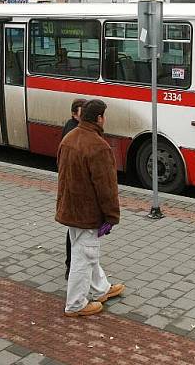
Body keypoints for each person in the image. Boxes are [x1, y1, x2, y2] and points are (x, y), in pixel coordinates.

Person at [55, 99, 124, 317]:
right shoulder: (98, 146)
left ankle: (101, 289)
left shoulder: (69, 138)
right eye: (104, 116)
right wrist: (112, 216)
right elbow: (106, 186)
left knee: (83, 251)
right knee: (84, 256)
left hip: (69, 208)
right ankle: (75, 304)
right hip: (87, 212)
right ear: (99, 118)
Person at [59, 97, 86, 280]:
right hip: (75, 190)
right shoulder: (73, 131)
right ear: (74, 114)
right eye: (82, 113)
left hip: (72, 188)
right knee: (75, 231)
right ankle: (72, 266)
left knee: (75, 231)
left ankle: (74, 265)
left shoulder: (75, 128)